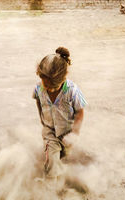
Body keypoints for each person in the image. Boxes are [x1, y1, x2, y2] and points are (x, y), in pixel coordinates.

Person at [33, 47, 87, 176]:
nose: (48, 89)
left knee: (63, 154)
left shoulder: (72, 90)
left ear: (62, 79)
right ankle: (50, 185)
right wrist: (42, 117)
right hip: (50, 130)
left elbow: (80, 111)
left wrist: (75, 133)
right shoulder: (39, 87)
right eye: (44, 84)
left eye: (52, 87)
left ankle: (59, 166)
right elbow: (38, 99)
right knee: (52, 157)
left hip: (67, 132)